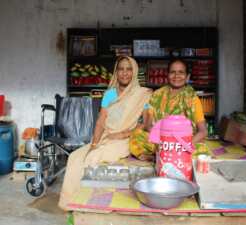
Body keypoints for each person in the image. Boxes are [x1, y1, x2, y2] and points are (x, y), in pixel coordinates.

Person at [58, 56, 151, 210]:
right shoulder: (109, 94)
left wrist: (123, 134)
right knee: (75, 157)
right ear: (116, 72)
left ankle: (82, 204)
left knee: (92, 158)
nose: (124, 73)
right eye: (121, 69)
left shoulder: (143, 94)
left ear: (134, 72)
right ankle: (69, 203)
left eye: (129, 69)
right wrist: (94, 143)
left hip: (124, 140)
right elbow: (101, 121)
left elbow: (147, 123)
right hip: (105, 138)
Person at [129, 58, 207, 159]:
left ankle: (161, 156)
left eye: (181, 72)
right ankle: (163, 155)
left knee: (203, 150)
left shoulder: (192, 98)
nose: (176, 76)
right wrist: (164, 142)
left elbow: (203, 131)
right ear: (167, 75)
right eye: (172, 72)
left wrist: (183, 146)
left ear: (187, 77)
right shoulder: (157, 95)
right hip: (160, 141)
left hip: (183, 143)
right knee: (137, 135)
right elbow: (148, 126)